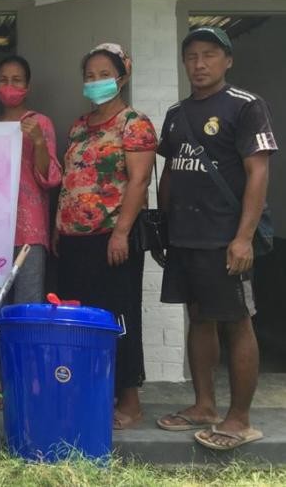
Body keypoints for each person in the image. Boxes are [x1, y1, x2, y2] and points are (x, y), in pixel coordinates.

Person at [156, 27, 277, 451]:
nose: (200, 64)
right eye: (191, 56)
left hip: (226, 236)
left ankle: (240, 419)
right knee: (198, 317)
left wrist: (243, 238)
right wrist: (163, 224)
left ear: (227, 61)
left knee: (237, 321)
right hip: (185, 236)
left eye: (209, 55)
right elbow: (170, 171)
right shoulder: (176, 113)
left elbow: (258, 171)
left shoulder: (246, 106)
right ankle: (203, 405)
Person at [53, 43, 156, 430]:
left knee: (118, 315)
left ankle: (129, 400)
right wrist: (58, 228)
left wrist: (122, 233)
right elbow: (69, 182)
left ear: (122, 77)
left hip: (112, 237)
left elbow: (139, 180)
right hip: (74, 237)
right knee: (80, 319)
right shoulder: (79, 125)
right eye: (90, 75)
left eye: (104, 74)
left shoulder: (134, 123)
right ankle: (89, 390)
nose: (95, 82)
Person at [0, 54, 62, 303]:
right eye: (3, 80)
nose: (10, 85)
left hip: (29, 230)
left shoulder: (39, 123)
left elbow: (50, 178)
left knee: (27, 304)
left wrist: (39, 142)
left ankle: (22, 345)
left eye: (17, 80)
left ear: (27, 87)